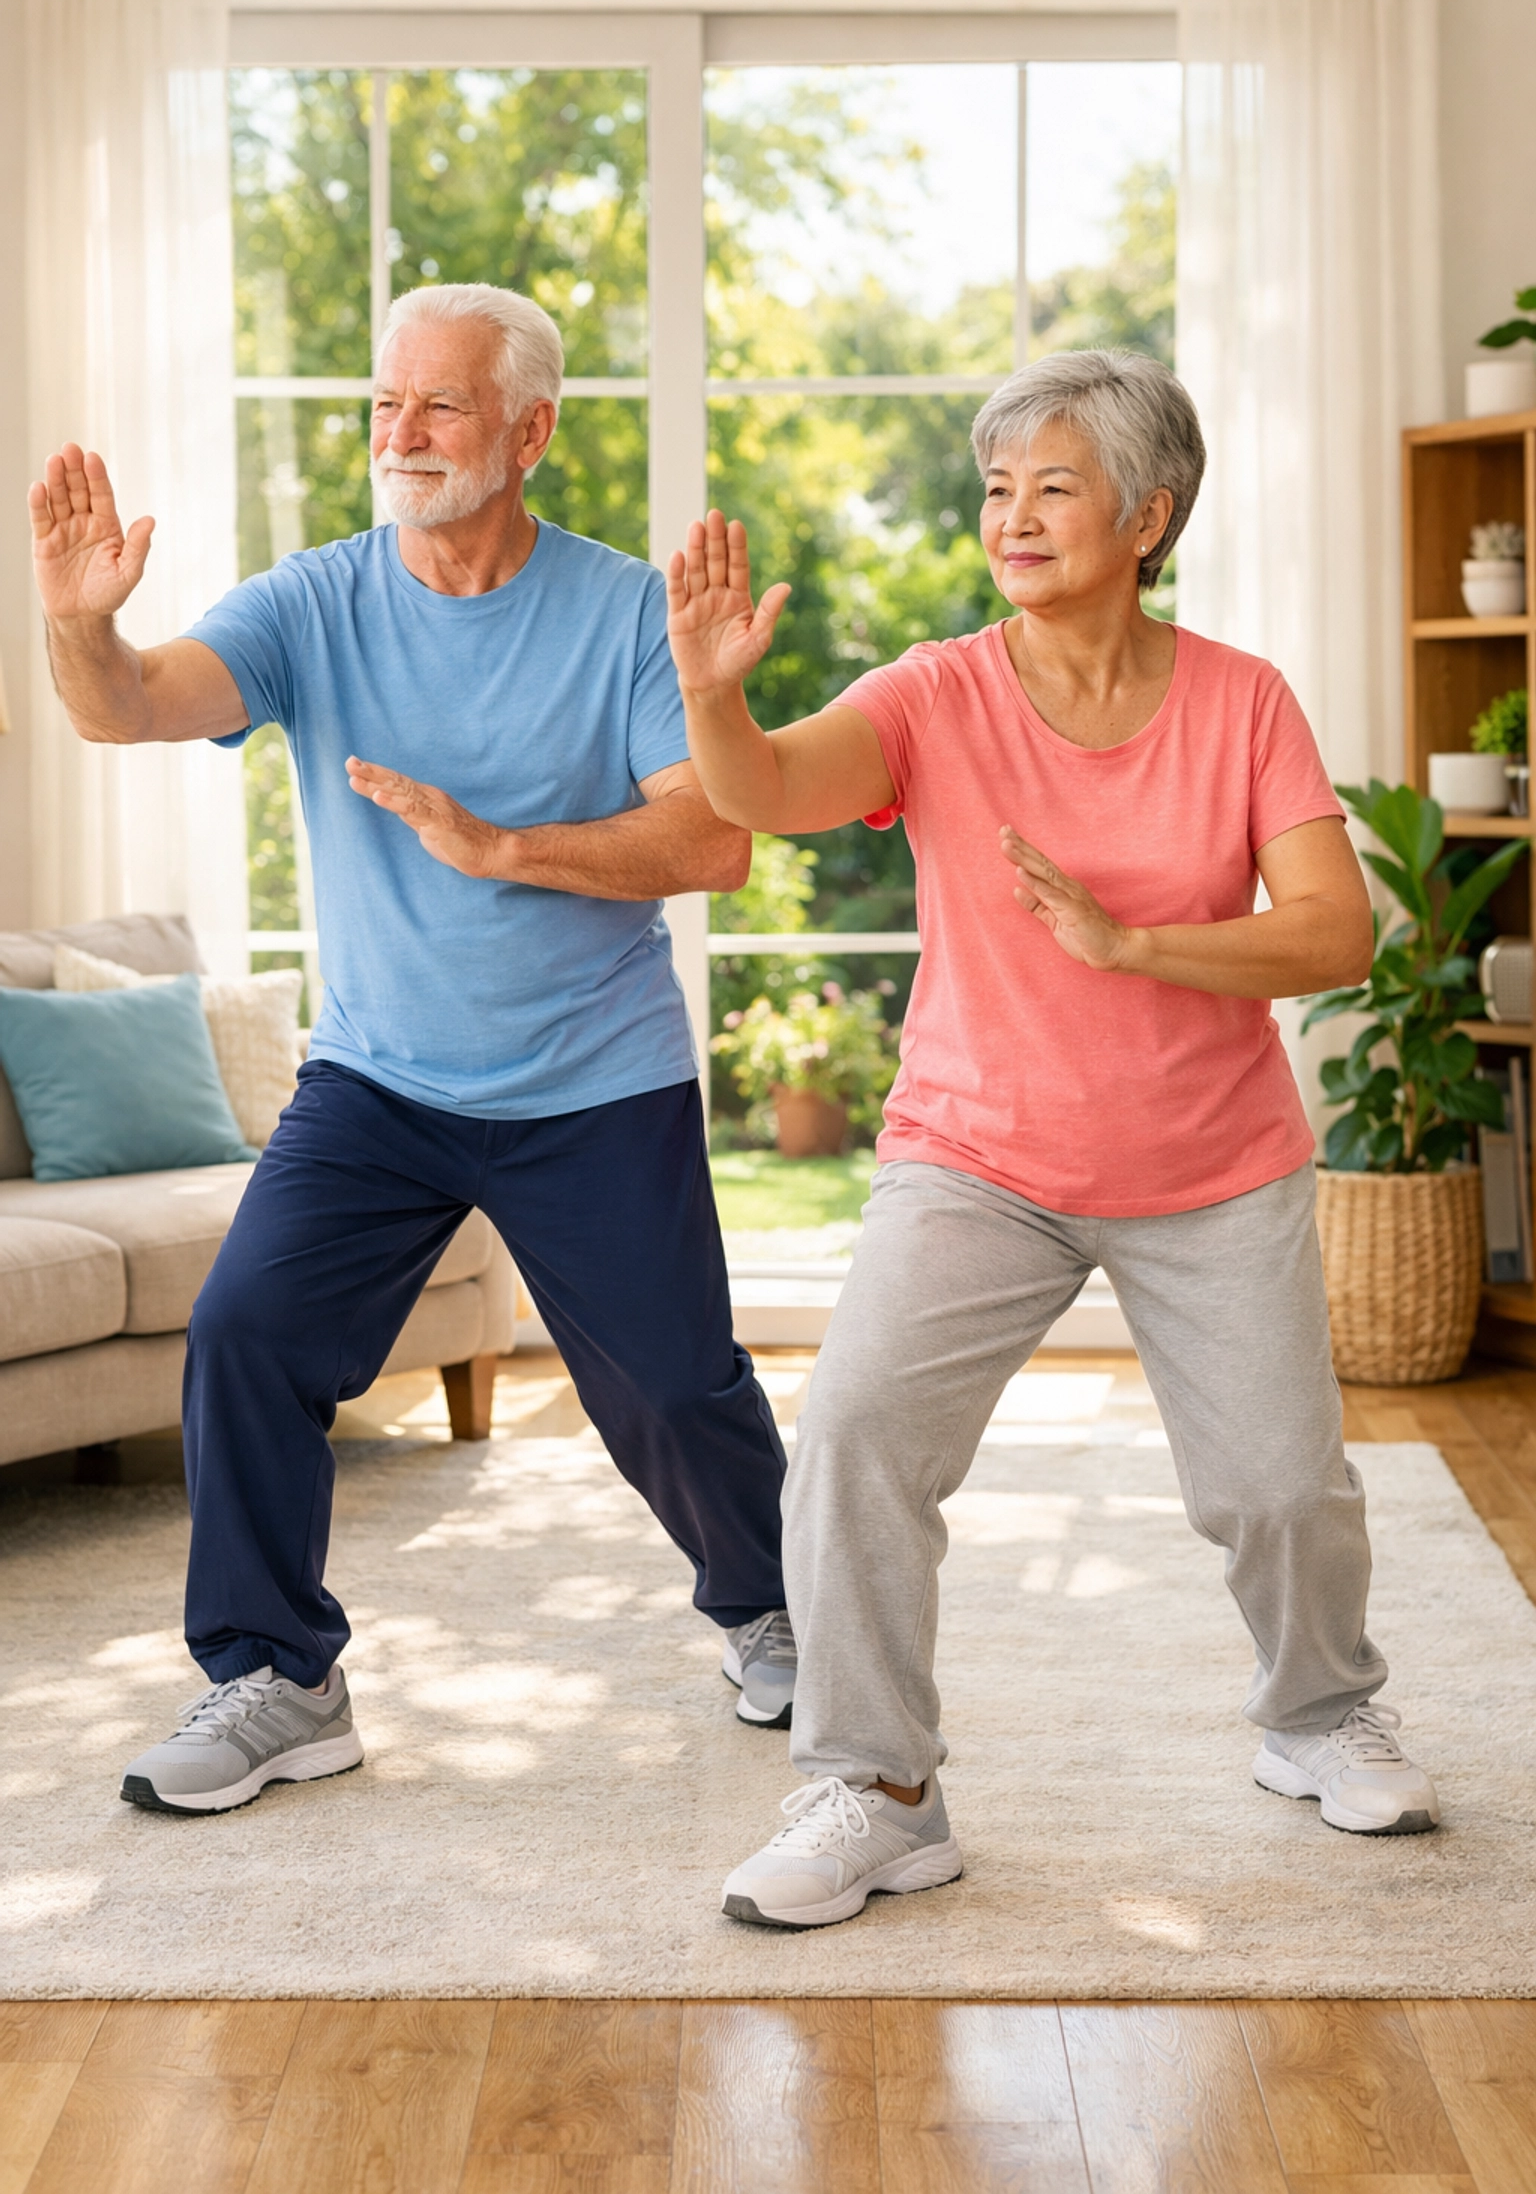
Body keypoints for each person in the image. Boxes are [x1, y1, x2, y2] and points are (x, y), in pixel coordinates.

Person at [665, 348, 1442, 1932]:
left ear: (1148, 514)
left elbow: (1332, 932)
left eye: (1054, 485)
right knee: (859, 1432)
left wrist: (1137, 946)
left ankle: (1315, 1716)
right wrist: (712, 690)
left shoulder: (1240, 701)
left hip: (1212, 1162)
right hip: (980, 1152)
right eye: (997, 486)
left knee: (1282, 1488)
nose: (1012, 515)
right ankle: (879, 1789)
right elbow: (770, 793)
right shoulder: (934, 693)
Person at [29, 281, 798, 1816]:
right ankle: (276, 1677)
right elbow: (127, 710)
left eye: (439, 405)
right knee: (248, 1333)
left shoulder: (620, 612)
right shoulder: (316, 600)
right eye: (387, 403)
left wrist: (506, 850)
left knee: (670, 1384)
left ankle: (775, 1609)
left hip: (595, 1075)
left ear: (530, 431)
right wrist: (76, 620)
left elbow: (713, 845)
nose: (404, 432)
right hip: (379, 1079)